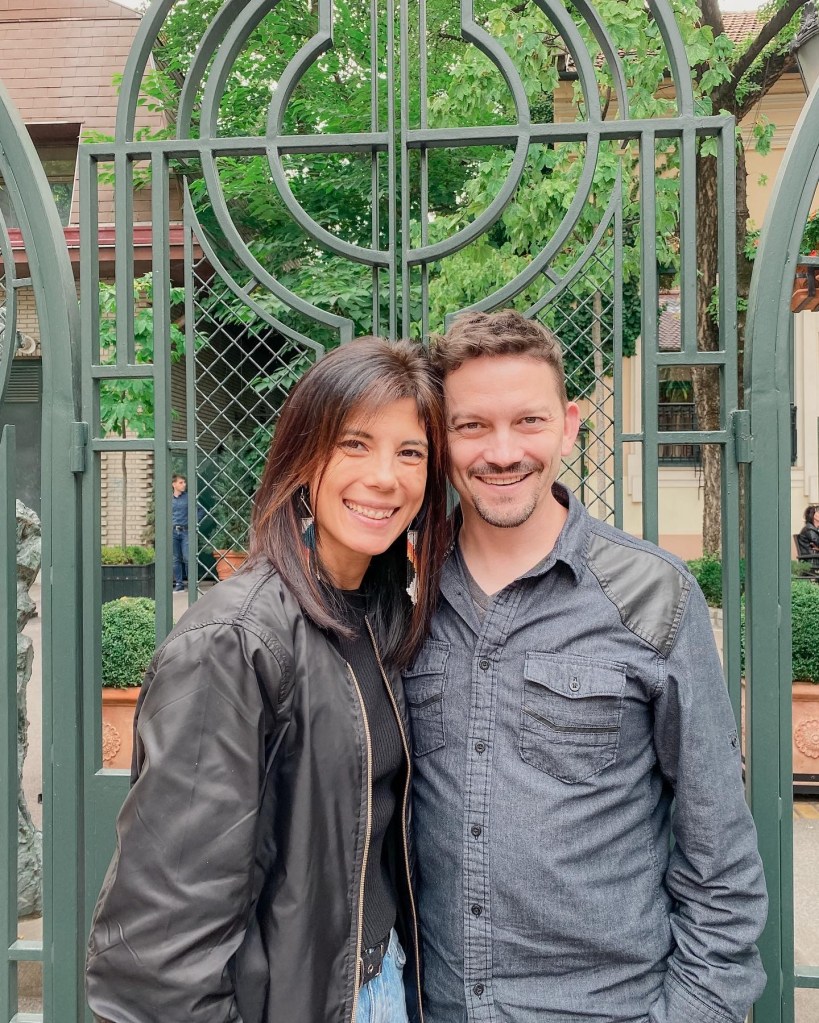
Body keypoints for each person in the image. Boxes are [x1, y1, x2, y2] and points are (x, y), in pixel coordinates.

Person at [406, 310, 768, 1023]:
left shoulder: (652, 595)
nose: (502, 451)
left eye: (529, 422)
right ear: (442, 438)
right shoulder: (406, 598)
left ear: (569, 426)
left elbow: (720, 857)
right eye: (472, 425)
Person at [86, 337, 449, 1023]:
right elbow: (158, 951)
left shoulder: (382, 614)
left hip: (383, 982)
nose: (384, 477)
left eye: (410, 453)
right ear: (303, 456)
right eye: (354, 444)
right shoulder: (233, 643)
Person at [170, 473, 203, 591]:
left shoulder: (189, 497)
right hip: (173, 532)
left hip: (186, 531)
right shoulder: (168, 499)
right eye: (181, 482)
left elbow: (201, 510)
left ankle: (192, 584)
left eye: (184, 482)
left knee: (188, 558)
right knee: (175, 559)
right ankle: (179, 584)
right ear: (174, 484)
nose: (184, 484)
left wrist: (194, 522)